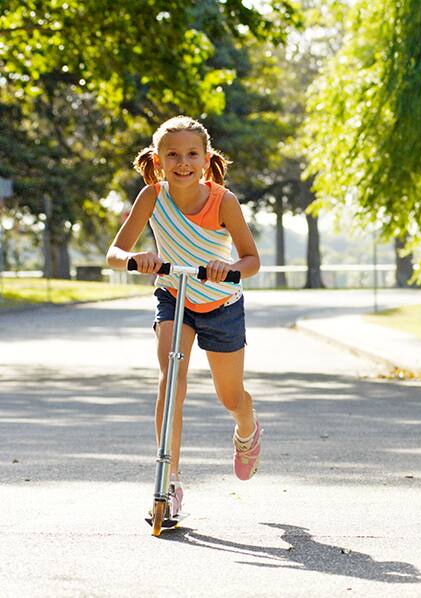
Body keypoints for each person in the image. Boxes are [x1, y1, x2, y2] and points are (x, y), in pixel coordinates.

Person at [107, 116, 263, 518]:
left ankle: (247, 429)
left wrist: (225, 266)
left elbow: (252, 260)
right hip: (175, 296)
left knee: (230, 396)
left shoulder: (223, 200)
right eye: (172, 155)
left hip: (221, 305)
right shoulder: (151, 197)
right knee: (171, 380)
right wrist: (137, 258)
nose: (183, 162)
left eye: (192, 154)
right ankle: (168, 483)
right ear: (158, 161)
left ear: (206, 158)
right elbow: (114, 253)